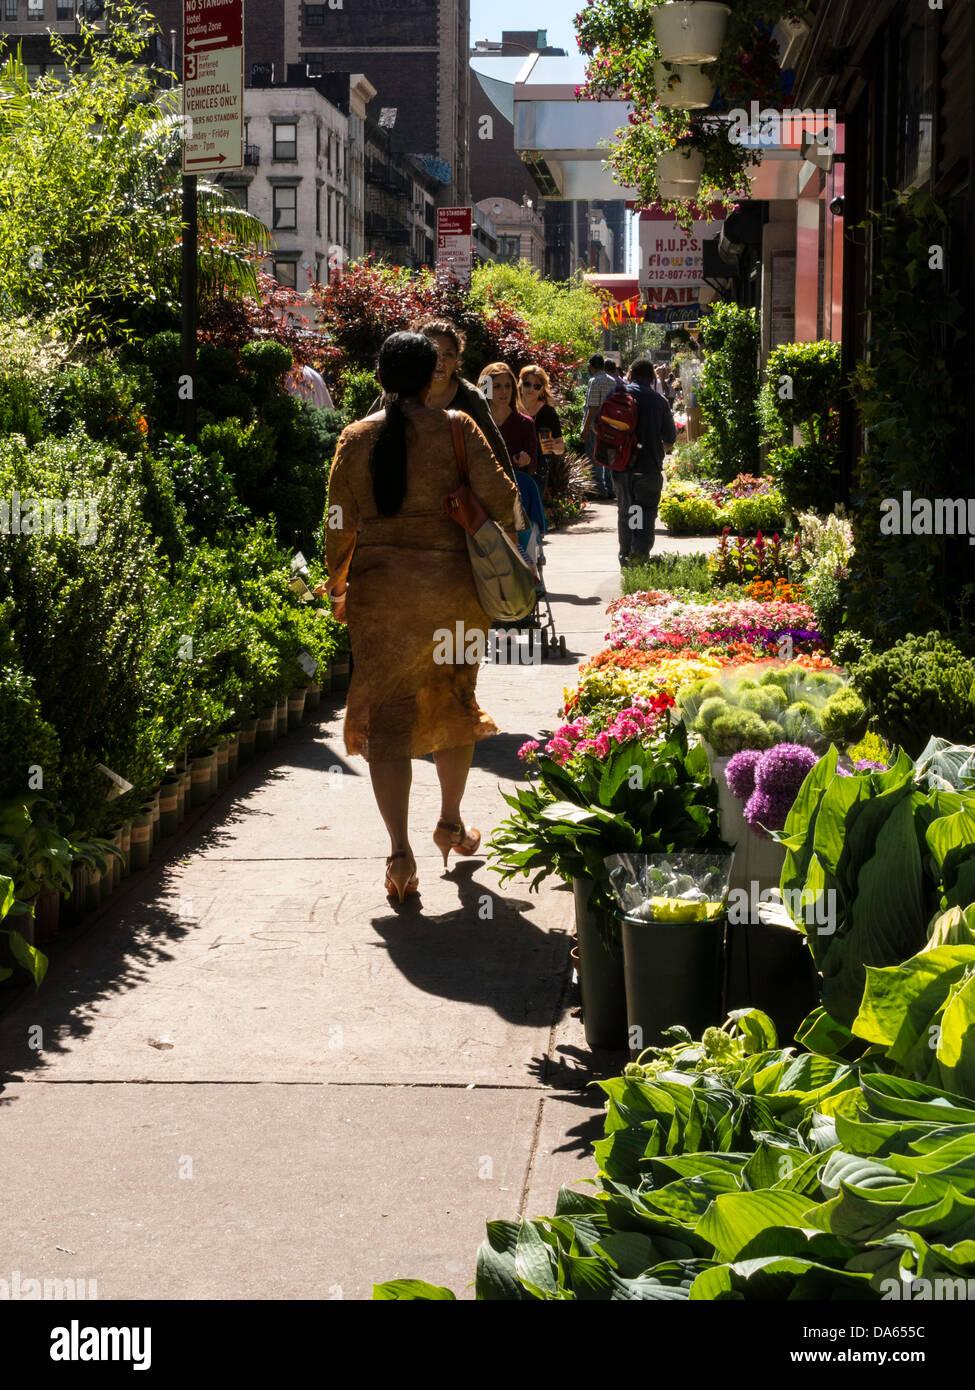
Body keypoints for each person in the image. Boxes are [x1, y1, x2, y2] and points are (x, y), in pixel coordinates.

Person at [320, 332, 520, 904]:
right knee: (453, 704)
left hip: (381, 603)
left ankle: (400, 855)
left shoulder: (355, 439)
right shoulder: (457, 427)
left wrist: (339, 584)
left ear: (380, 374)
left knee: (388, 722)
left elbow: (338, 521)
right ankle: (451, 823)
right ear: (433, 374)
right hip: (452, 596)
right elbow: (505, 502)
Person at [369, 318, 516, 482]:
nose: (441, 361)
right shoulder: (396, 396)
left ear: (456, 360)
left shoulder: (471, 399)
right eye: (434, 353)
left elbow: (492, 458)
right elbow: (368, 447)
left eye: (448, 354)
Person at [616, 358, 677, 569]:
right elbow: (669, 438)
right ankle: (638, 555)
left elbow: (599, 426)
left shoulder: (616, 395)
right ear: (652, 378)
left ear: (630, 374)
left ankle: (625, 556)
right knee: (644, 512)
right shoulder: (659, 401)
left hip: (622, 468)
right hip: (648, 468)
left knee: (627, 512)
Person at [478, 362, 539, 478]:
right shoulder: (477, 421)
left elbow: (533, 466)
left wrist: (526, 460)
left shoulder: (525, 423)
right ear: (485, 389)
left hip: (513, 490)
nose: (504, 391)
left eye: (507, 386)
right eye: (497, 386)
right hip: (482, 487)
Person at [517, 364, 565, 502]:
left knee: (531, 512)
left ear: (542, 389)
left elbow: (560, 448)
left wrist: (553, 447)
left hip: (538, 469)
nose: (531, 389)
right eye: (527, 384)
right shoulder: (511, 408)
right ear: (520, 384)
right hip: (513, 465)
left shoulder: (548, 412)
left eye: (536, 386)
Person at [581, 353, 618, 500]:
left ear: (591, 366)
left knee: (594, 457)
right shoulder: (612, 381)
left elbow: (593, 407)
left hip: (595, 427)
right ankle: (610, 489)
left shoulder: (594, 381)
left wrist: (585, 427)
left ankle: (598, 489)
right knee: (608, 458)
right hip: (609, 426)